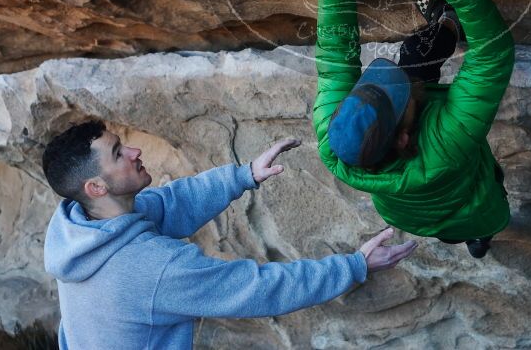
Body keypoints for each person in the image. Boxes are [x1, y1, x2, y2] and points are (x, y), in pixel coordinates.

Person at [42, 120, 417, 349]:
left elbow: (171, 203)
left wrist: (244, 175)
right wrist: (355, 266)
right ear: (95, 187)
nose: (135, 151)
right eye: (118, 152)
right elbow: (257, 288)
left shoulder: (79, 230)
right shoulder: (151, 268)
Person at [314, 0, 515, 259]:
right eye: (397, 95)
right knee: (478, 215)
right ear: (406, 138)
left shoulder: (335, 137)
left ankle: (446, 24)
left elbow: (335, 45)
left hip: (405, 212)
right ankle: (479, 238)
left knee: (412, 56)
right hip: (478, 209)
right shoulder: (448, 141)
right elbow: (492, 56)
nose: (392, 80)